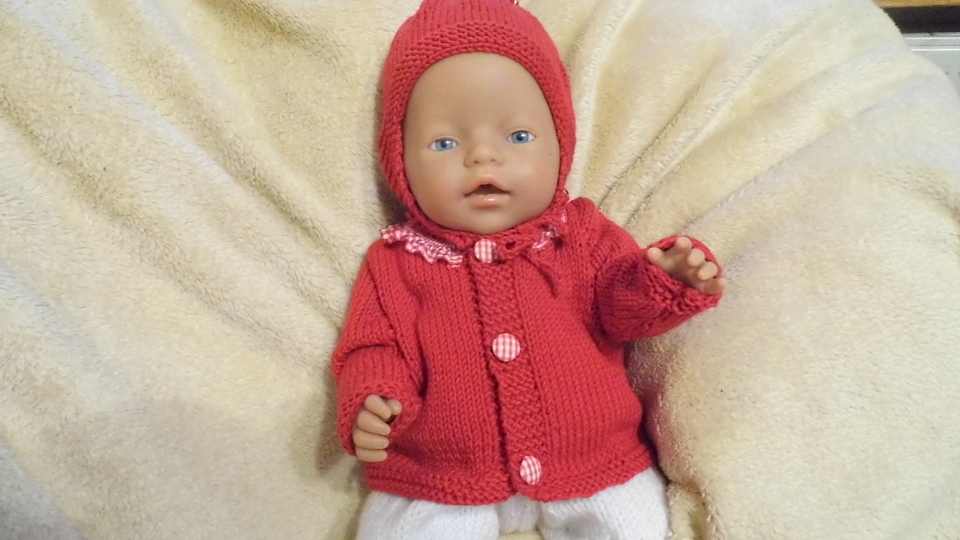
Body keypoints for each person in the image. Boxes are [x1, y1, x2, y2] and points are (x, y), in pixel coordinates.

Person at [332, 0, 726, 538]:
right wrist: (374, 396)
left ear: (561, 145)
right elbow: (372, 346)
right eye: (445, 142)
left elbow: (621, 310)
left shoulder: (580, 233)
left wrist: (663, 282)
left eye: (518, 137)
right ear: (399, 163)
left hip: (595, 461)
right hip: (439, 474)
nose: (483, 157)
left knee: (634, 525)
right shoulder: (396, 262)